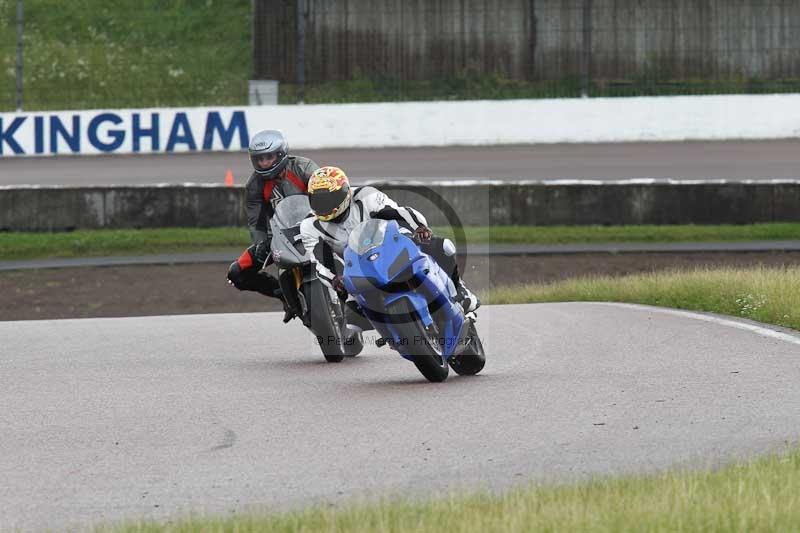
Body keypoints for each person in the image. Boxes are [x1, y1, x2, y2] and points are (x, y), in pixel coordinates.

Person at [299, 166, 479, 319]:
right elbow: (319, 261)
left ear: (345, 192)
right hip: (357, 270)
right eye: (317, 199)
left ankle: (460, 290)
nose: (323, 205)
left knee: (442, 246)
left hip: (391, 248)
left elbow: (398, 212)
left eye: (328, 199)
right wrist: (335, 279)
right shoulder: (309, 225)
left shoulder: (366, 196)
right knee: (352, 320)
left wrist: (418, 228)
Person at [227, 129, 318, 321]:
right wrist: (260, 243)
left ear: (281, 153)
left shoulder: (304, 167)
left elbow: (325, 195)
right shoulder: (254, 185)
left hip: (316, 226)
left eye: (268, 157)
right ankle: (284, 295)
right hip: (279, 236)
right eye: (259, 159)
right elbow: (256, 222)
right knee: (237, 273)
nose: (263, 163)